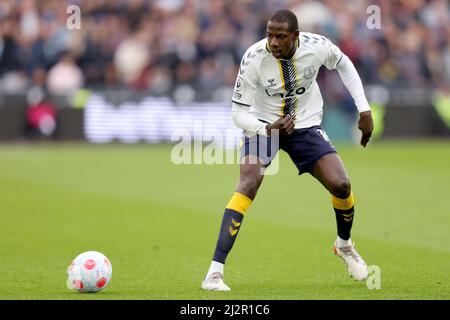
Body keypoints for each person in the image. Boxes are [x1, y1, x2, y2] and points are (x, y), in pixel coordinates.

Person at [201, 9, 374, 291]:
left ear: (295, 36)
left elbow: (344, 64)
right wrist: (267, 129)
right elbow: (237, 114)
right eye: (270, 35)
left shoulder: (316, 47)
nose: (274, 42)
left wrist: (363, 108)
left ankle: (344, 245)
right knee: (248, 182)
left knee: (341, 185)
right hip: (263, 124)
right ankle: (214, 273)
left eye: (281, 37)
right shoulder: (254, 57)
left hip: (305, 123)